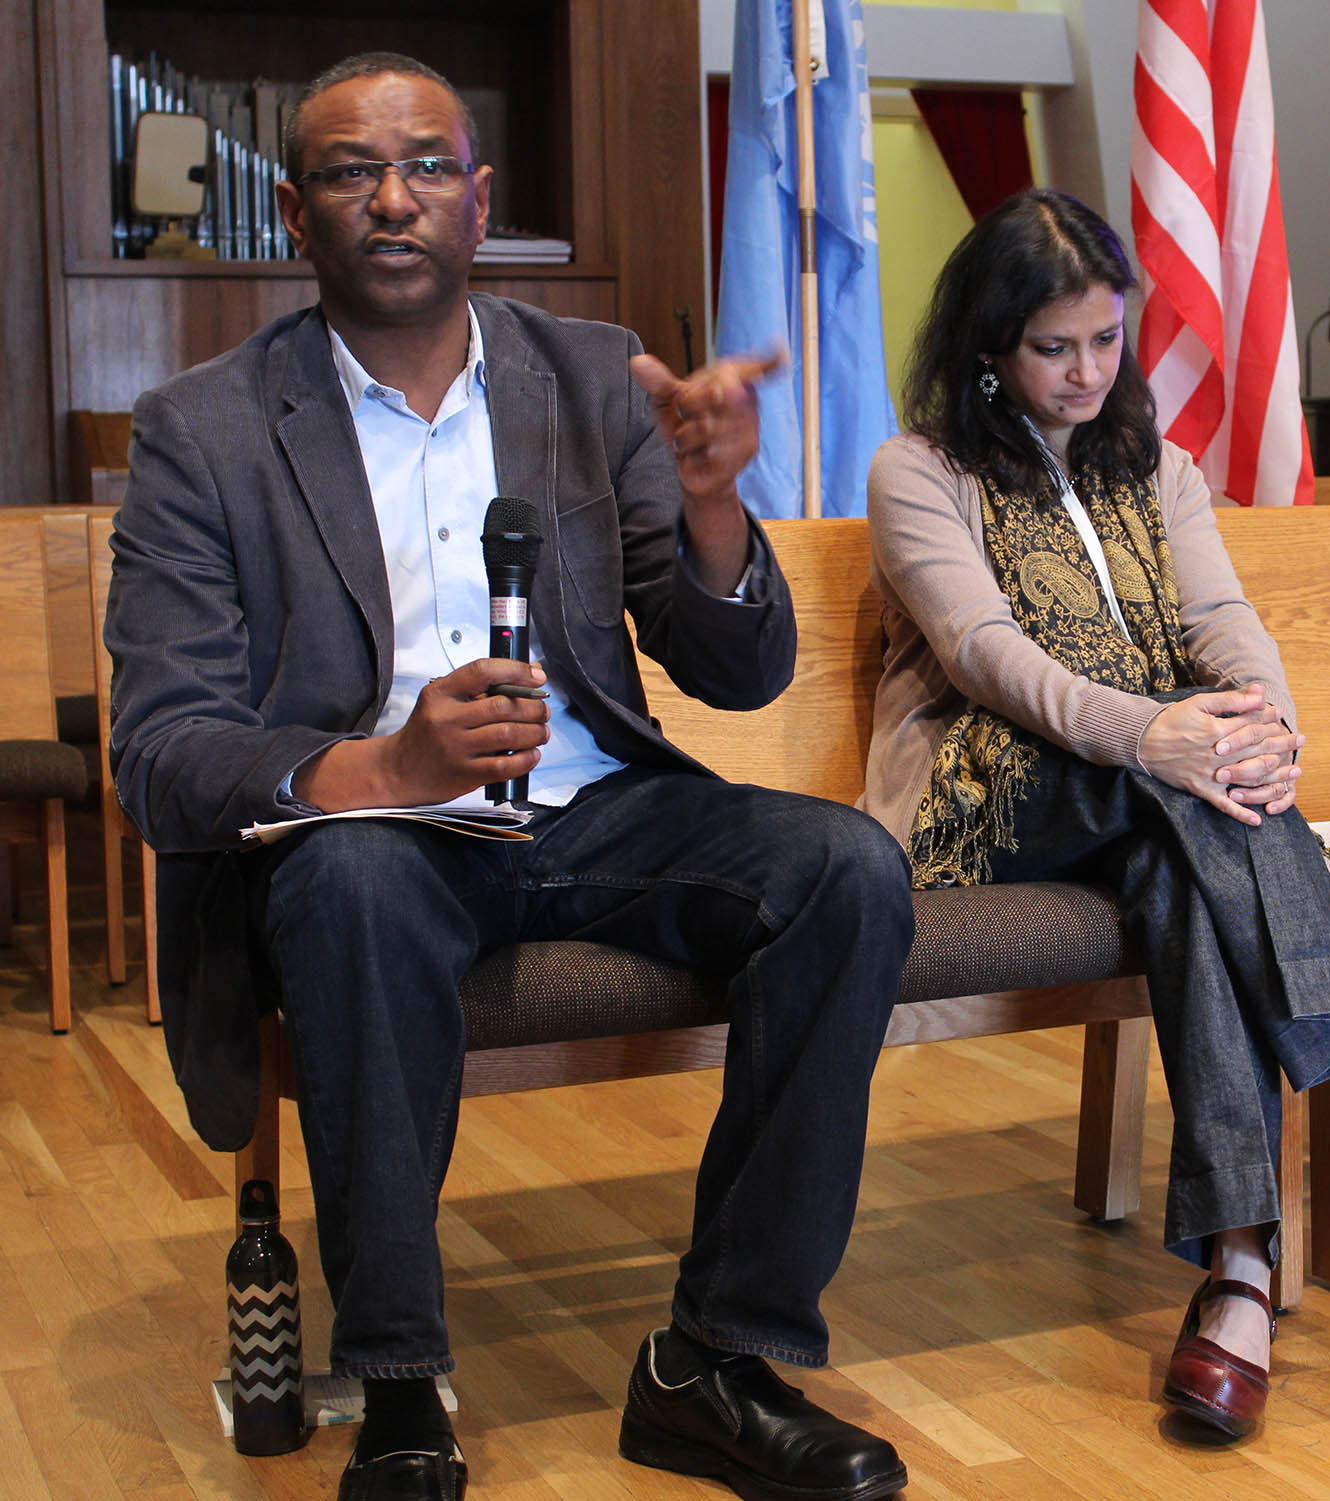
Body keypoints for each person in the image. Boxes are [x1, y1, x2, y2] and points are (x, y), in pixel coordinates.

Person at [106, 52, 911, 1501]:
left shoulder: (590, 379)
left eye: (427, 166)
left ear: (480, 200)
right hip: (378, 832)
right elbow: (162, 753)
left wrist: (721, 506)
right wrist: (383, 762)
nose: (393, 198)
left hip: (597, 808)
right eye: (353, 172)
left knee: (844, 869)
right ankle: (403, 1388)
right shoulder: (204, 431)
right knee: (353, 884)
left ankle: (714, 1362)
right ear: (294, 213)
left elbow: (736, 671)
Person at [860, 188, 1330, 1441]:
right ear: (989, 346)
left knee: (1184, 861)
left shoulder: (1154, 465)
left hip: (1161, 797)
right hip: (981, 790)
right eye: (1053, 348)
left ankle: (1239, 1273)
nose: (1087, 372)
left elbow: (1221, 626)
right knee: (1175, 781)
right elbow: (986, 654)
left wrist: (1262, 723)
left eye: (1105, 340)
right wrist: (1158, 733)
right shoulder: (920, 468)